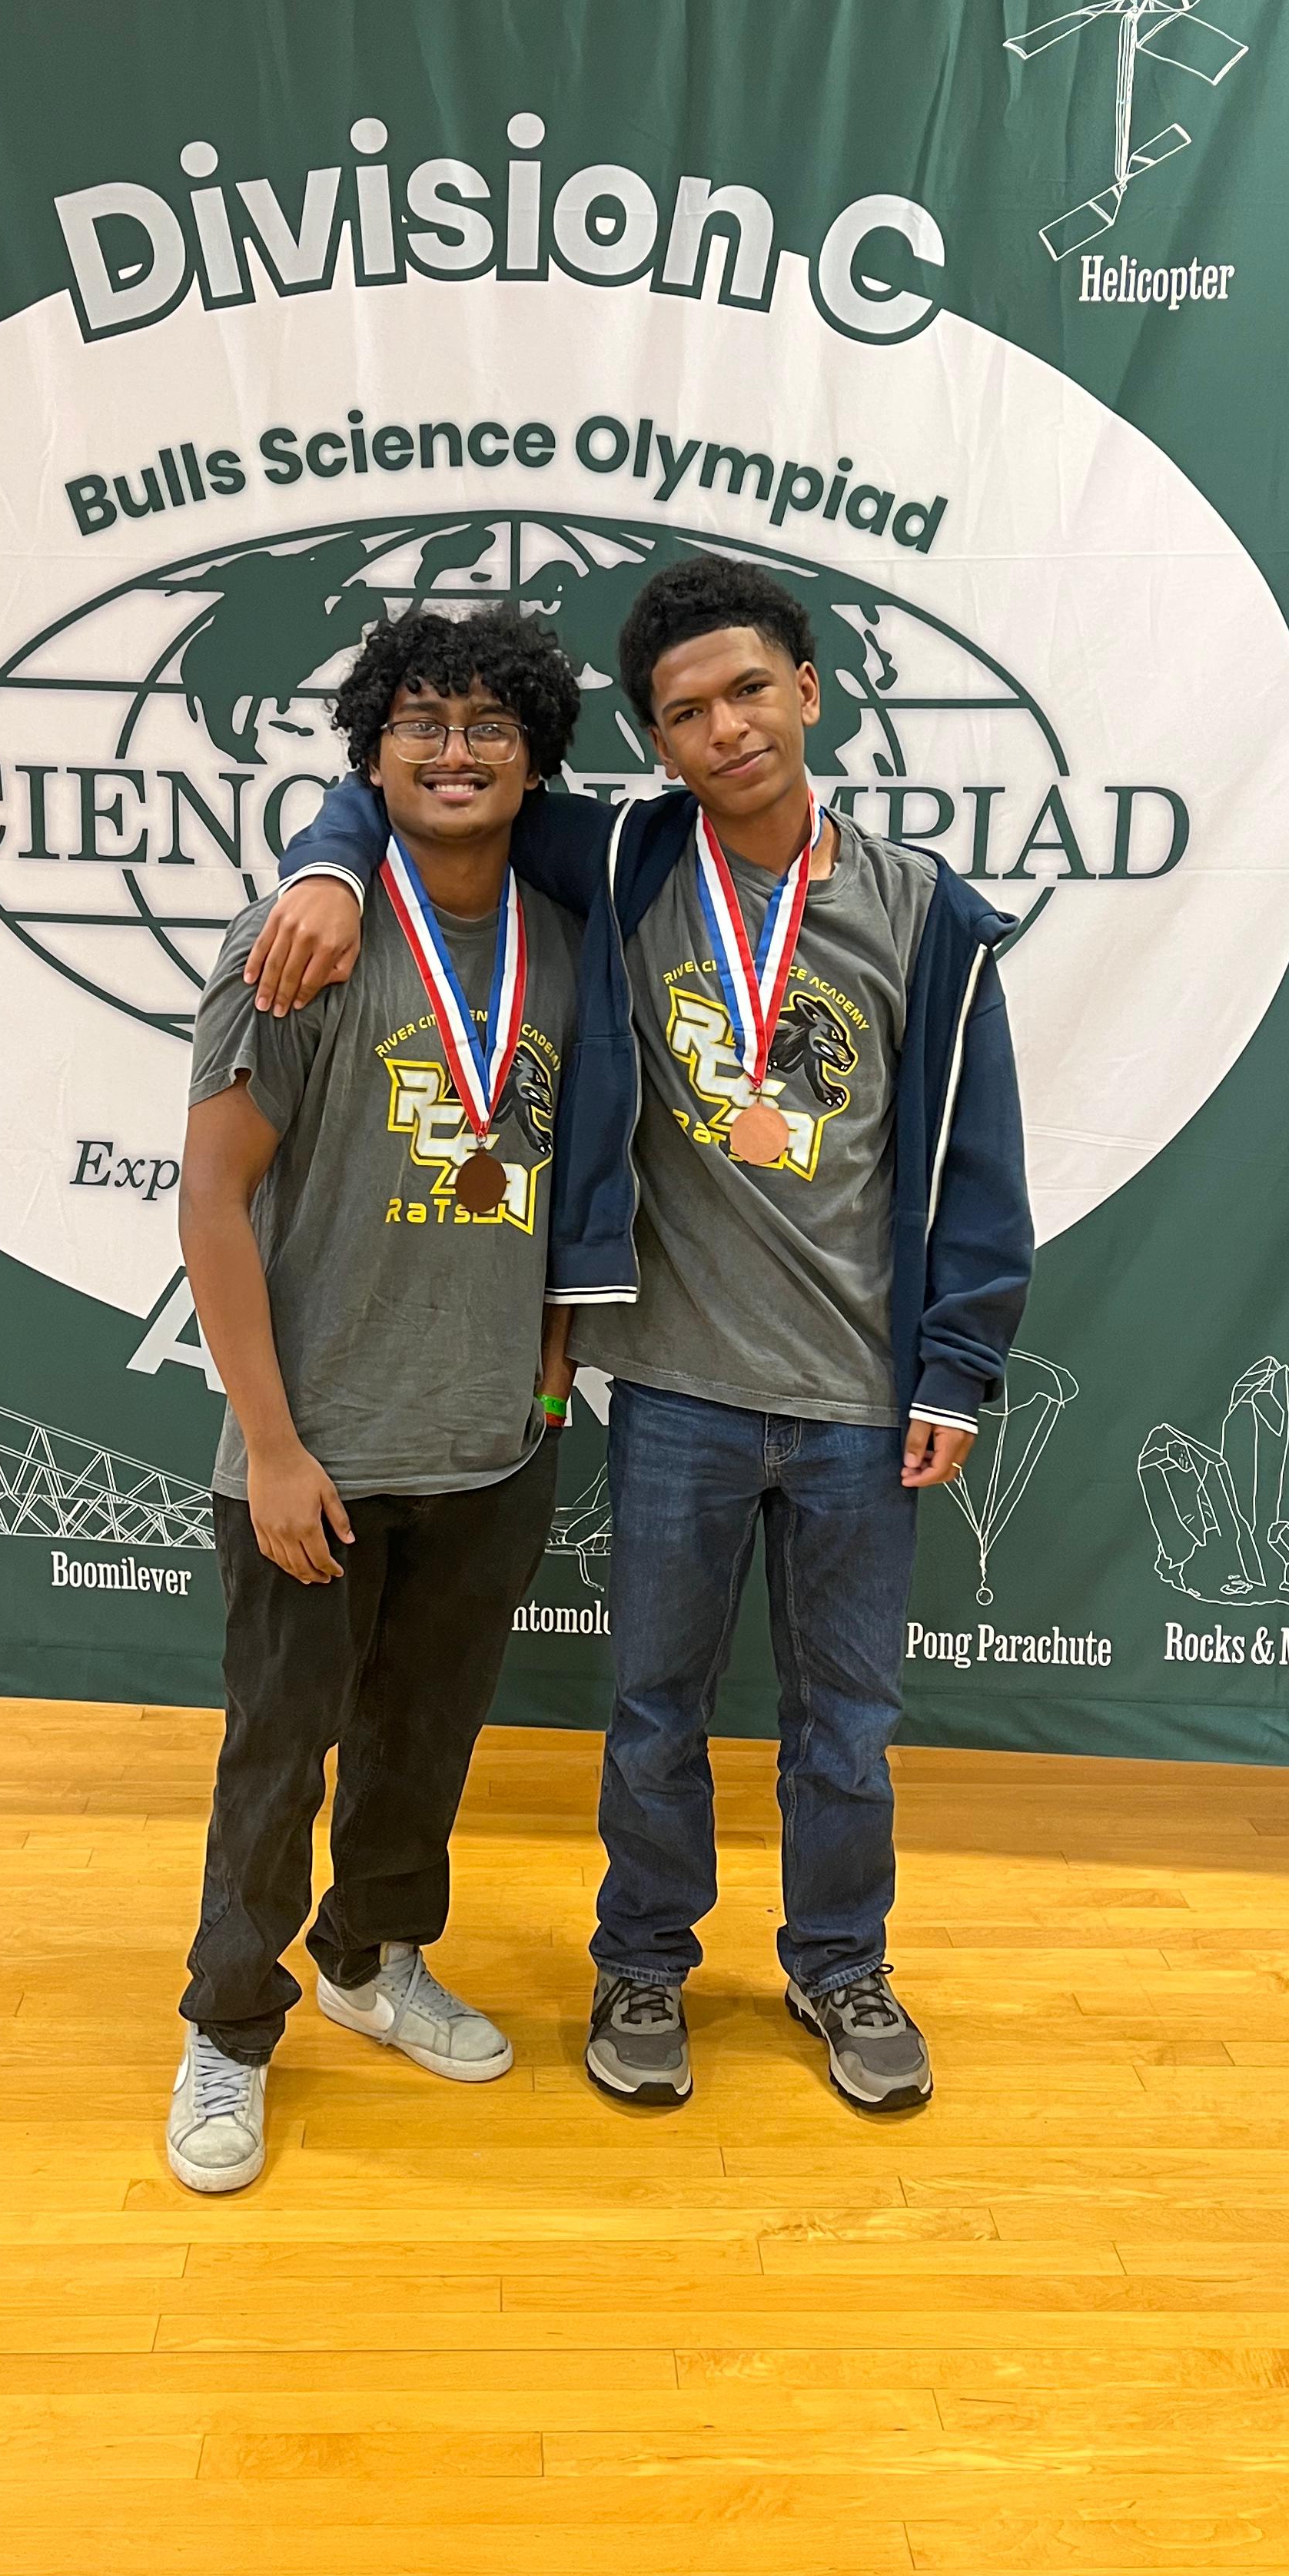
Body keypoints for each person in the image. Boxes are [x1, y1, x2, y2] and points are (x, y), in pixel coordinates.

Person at [249, 551, 1031, 2119]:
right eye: (685, 713)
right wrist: (327, 866)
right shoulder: (627, 861)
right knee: (655, 1711)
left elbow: (975, 1151)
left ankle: (839, 1962)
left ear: (809, 692)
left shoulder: (923, 911)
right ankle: (643, 1962)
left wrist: (960, 1362)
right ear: (655, 742)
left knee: (848, 1726)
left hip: (862, 1398)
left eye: (749, 692)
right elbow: (415, 788)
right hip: (674, 1387)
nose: (725, 729)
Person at [166, 604, 583, 2195]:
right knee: (279, 1758)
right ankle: (229, 2023)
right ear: (373, 752)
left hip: (489, 1443)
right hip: (317, 1450)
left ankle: (370, 1958)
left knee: (424, 1744)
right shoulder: (301, 939)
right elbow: (213, 1199)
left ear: (535, 757)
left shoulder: (565, 941)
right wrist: (271, 1446)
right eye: (421, 722)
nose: (455, 751)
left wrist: (550, 1357)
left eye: (489, 725)